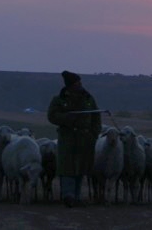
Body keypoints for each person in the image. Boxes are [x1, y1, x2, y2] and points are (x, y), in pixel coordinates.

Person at [47, 70, 102, 207]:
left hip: (85, 139)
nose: (80, 85)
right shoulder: (60, 99)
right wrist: (66, 118)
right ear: (70, 85)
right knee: (67, 168)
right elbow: (52, 116)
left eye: (80, 82)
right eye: (77, 83)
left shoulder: (89, 98)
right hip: (68, 138)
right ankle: (68, 196)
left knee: (81, 168)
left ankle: (77, 196)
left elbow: (96, 117)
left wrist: (94, 135)